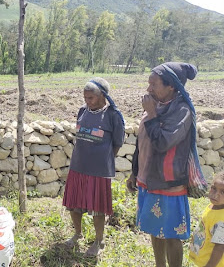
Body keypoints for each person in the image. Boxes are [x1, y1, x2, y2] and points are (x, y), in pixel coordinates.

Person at [127, 62, 199, 267]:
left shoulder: (181, 110)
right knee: (154, 229)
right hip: (148, 179)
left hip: (168, 183)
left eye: (154, 84)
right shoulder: (156, 105)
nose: (148, 89)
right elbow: (142, 143)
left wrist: (151, 114)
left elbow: (162, 142)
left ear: (172, 87)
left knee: (171, 234)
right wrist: (135, 173)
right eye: (148, 84)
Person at [62, 77, 125, 256]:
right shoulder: (83, 111)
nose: (87, 101)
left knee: (98, 207)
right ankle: (77, 234)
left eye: (91, 98)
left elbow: (117, 142)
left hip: (99, 170)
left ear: (103, 96)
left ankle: (99, 240)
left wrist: (105, 159)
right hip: (78, 166)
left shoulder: (112, 115)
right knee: (74, 204)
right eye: (85, 97)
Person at [189, 171, 224, 267]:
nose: (216, 194)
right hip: (203, 260)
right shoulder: (212, 206)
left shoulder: (221, 219)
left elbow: (220, 247)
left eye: (223, 192)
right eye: (214, 188)